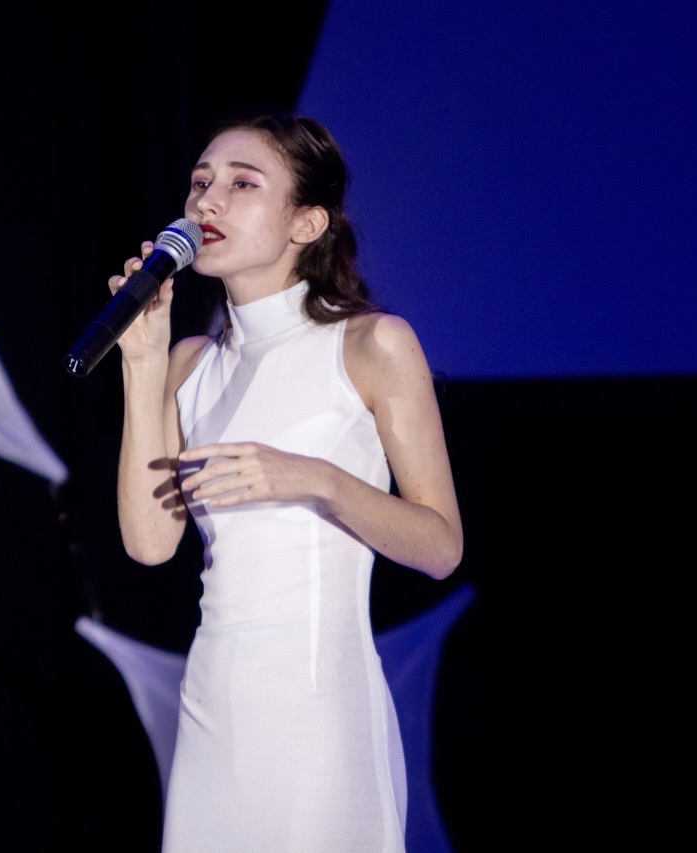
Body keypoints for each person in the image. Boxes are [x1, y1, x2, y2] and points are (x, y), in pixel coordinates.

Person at [109, 110, 463, 852]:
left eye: (242, 184)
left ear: (307, 222)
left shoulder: (371, 344)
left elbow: (440, 546)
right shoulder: (190, 364)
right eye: (200, 182)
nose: (207, 200)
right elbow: (149, 543)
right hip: (213, 705)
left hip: (319, 705)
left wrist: (315, 479)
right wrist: (142, 363)